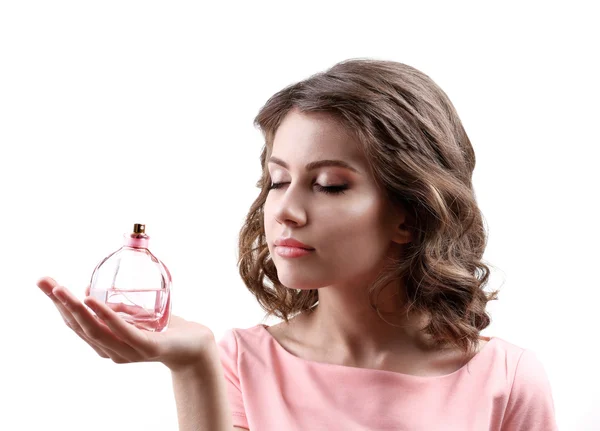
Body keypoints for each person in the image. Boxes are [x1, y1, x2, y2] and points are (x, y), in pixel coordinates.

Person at [37, 58, 558, 430]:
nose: (284, 209)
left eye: (330, 184)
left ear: (410, 212)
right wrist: (192, 364)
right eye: (277, 181)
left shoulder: (507, 381)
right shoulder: (240, 364)